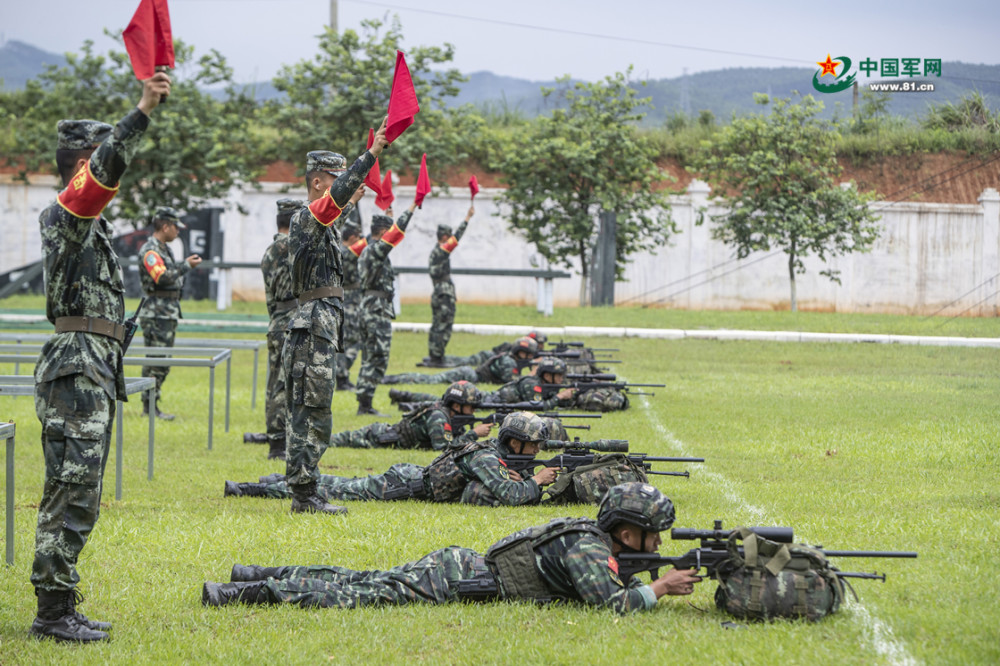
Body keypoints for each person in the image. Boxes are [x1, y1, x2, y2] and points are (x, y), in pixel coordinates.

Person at [30, 72, 172, 643]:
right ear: (83, 163)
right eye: (98, 160)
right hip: (77, 363)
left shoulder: (88, 221)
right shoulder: (68, 212)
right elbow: (107, 170)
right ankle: (52, 612)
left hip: (92, 363)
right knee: (71, 488)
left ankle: (60, 599)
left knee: (79, 489)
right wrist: (140, 112)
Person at [202, 482, 701, 612]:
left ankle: (258, 573)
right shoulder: (589, 550)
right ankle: (247, 592)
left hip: (461, 567)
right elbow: (611, 604)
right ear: (627, 531)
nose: (656, 542)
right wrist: (660, 587)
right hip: (459, 579)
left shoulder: (593, 540)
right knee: (360, 592)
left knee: (362, 579)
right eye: (651, 533)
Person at [282, 120, 387, 516]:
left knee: (316, 411)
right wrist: (371, 155)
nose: (341, 185)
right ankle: (304, 495)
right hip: (313, 327)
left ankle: (307, 488)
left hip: (320, 326)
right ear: (316, 183)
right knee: (310, 413)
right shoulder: (306, 218)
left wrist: (352, 198)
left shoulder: (320, 225)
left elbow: (338, 207)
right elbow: (333, 204)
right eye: (334, 179)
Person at [224, 411, 557, 505]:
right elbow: (510, 495)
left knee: (340, 483)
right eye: (532, 445)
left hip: (408, 477)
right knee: (336, 490)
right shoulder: (486, 457)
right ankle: (249, 490)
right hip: (402, 485)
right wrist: (537, 481)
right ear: (514, 442)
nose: (537, 451)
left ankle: (270, 482)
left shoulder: (490, 456)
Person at [136, 206, 201, 419]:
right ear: (165, 226)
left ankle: (152, 404)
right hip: (157, 314)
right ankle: (149, 406)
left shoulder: (163, 249)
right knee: (156, 361)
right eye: (175, 227)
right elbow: (161, 277)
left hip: (166, 312)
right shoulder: (150, 251)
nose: (178, 231)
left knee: (163, 361)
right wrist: (186, 266)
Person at [355, 203, 417, 415]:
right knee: (377, 357)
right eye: (387, 232)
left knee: (370, 356)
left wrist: (387, 216)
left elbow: (388, 233)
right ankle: (365, 403)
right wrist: (411, 208)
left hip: (371, 308)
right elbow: (394, 235)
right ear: (383, 233)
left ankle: (364, 401)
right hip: (376, 311)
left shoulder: (368, 250)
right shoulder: (375, 251)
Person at [257, 198, 301, 460]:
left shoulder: (272, 249)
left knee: (277, 383)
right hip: (286, 322)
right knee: (281, 386)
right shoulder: (284, 246)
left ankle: (278, 440)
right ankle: (277, 443)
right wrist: (348, 203)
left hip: (278, 321)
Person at [391, 356, 577, 411]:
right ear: (548, 375)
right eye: (558, 375)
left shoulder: (540, 383)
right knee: (442, 403)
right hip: (491, 402)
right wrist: (559, 397)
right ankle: (410, 401)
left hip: (494, 401)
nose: (561, 380)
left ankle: (408, 400)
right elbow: (537, 407)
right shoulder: (532, 384)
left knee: (442, 402)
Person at [382, 336, 538, 386]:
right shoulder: (509, 363)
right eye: (529, 355)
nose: (531, 358)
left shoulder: (510, 359)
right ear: (522, 353)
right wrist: (532, 374)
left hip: (469, 374)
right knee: (430, 379)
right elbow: (511, 383)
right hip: (468, 375)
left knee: (430, 379)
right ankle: (390, 379)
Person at [426, 206, 474, 366]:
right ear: (445, 236)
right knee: (443, 325)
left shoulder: (435, 251)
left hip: (438, 293)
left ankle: (434, 355)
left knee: (437, 324)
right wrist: (467, 218)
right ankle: (437, 357)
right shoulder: (441, 250)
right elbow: (457, 238)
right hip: (444, 294)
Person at [334, 220, 366, 391]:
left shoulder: (338, 249)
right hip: (350, 301)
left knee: (347, 340)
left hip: (345, 299)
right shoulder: (347, 253)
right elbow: (370, 241)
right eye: (358, 236)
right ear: (353, 237)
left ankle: (342, 375)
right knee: (351, 340)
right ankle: (341, 375)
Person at [422, 330, 548, 368]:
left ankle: (434, 359)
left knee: (462, 360)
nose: (541, 347)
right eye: (540, 343)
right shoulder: (516, 347)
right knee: (462, 361)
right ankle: (434, 360)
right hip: (487, 356)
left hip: (489, 356)